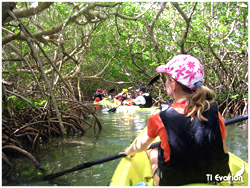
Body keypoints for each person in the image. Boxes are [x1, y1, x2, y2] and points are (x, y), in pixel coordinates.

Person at [121, 54, 229, 186]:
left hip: (174, 181)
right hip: (213, 178)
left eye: (166, 79)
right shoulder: (215, 113)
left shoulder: (159, 117)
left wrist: (129, 151)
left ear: (173, 84)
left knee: (152, 154)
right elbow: (224, 153)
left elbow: (141, 145)